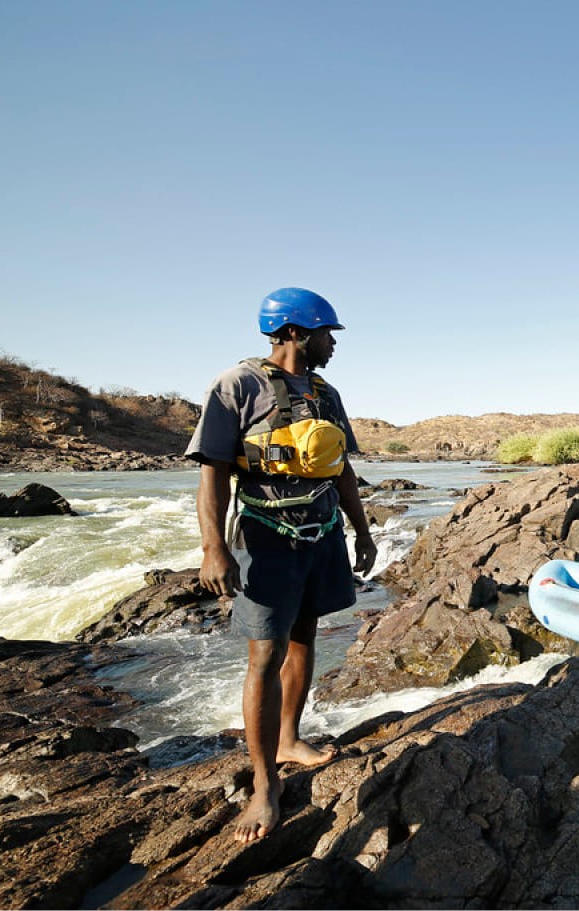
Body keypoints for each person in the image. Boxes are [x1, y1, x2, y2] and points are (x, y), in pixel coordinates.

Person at [187, 287, 376, 844]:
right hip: (266, 537)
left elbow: (341, 470)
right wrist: (213, 547)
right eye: (327, 334)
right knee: (264, 654)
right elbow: (213, 472)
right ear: (295, 331)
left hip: (321, 535)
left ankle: (290, 739)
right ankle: (264, 784)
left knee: (304, 637)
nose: (332, 344)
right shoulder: (235, 385)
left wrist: (362, 531)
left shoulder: (326, 392)